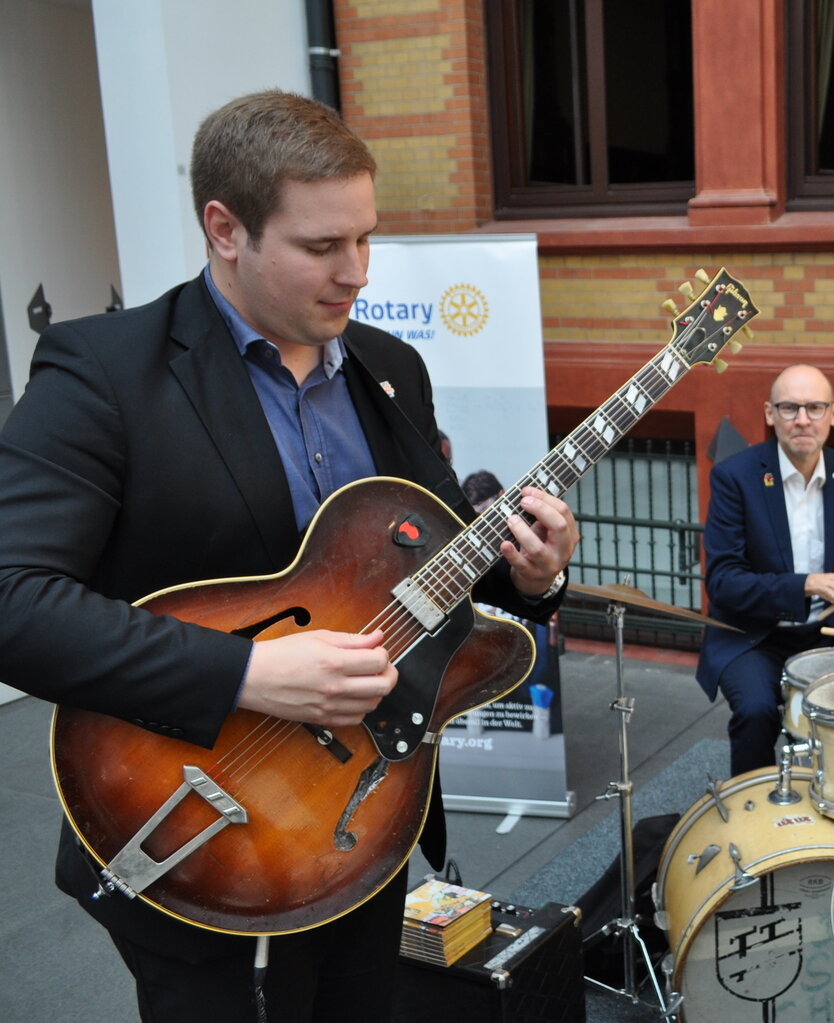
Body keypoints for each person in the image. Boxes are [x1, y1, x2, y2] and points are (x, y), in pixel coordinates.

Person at [0, 91, 577, 1022]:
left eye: (365, 238)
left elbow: (416, 560)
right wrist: (248, 670)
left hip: (364, 809)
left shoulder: (391, 365)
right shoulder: (101, 371)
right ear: (224, 228)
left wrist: (528, 575)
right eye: (321, 247)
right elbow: (11, 599)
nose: (355, 272)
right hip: (197, 818)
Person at [695, 364, 834, 776]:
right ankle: (751, 819)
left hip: (831, 631)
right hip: (753, 634)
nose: (802, 419)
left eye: (815, 407)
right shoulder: (735, 477)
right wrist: (809, 584)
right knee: (757, 711)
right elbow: (724, 582)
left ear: (833, 414)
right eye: (789, 408)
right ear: (769, 414)